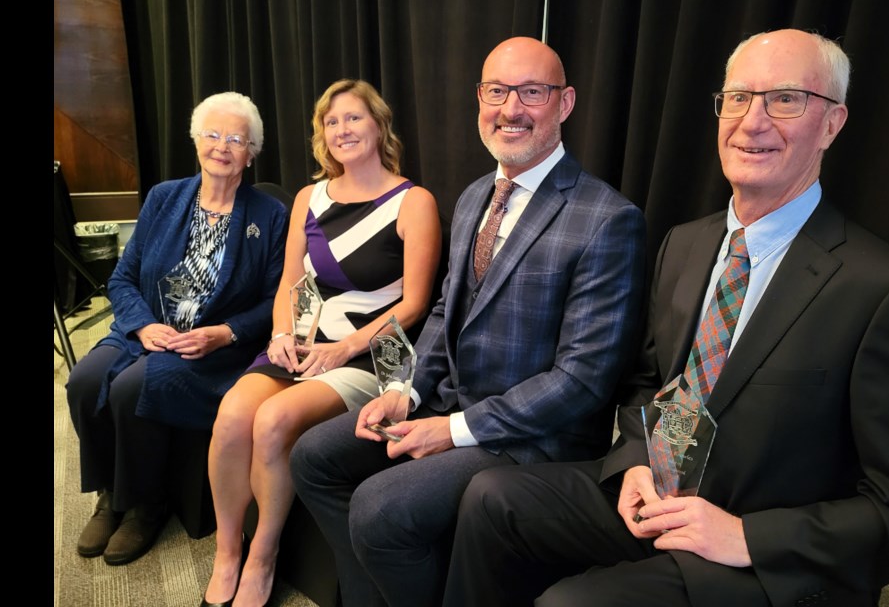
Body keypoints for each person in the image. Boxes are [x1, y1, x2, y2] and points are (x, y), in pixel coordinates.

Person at [442, 29, 889, 607]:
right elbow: (646, 382)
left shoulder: (881, 287)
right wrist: (635, 461)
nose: (752, 121)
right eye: (737, 98)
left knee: (569, 604)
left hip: (753, 552)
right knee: (491, 498)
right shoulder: (684, 244)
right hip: (659, 499)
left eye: (784, 99)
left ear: (832, 124)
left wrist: (746, 537)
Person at [290, 37, 646, 607]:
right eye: (497, 91)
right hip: (447, 401)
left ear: (566, 102)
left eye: (532, 92)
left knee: (380, 509)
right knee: (313, 457)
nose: (511, 109)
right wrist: (406, 391)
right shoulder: (476, 194)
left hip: (532, 437)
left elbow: (582, 381)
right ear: (479, 97)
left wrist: (452, 430)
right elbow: (442, 311)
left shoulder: (607, 219)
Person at [201, 79, 441, 607]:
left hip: (367, 358)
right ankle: (227, 552)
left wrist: (343, 347)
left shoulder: (413, 201)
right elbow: (290, 282)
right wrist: (282, 334)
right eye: (331, 122)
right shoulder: (309, 198)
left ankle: (263, 556)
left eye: (353, 118)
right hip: (300, 347)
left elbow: (414, 306)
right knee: (232, 416)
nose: (341, 130)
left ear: (379, 125)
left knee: (274, 420)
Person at [66, 92, 288, 566]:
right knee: (84, 380)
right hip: (143, 331)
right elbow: (123, 277)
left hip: (210, 348)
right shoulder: (164, 198)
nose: (222, 147)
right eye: (212, 134)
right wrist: (143, 326)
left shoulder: (270, 216)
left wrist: (225, 332)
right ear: (196, 140)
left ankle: (146, 504)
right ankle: (111, 496)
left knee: (132, 388)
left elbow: (277, 299)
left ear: (251, 151)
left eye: (236, 139)